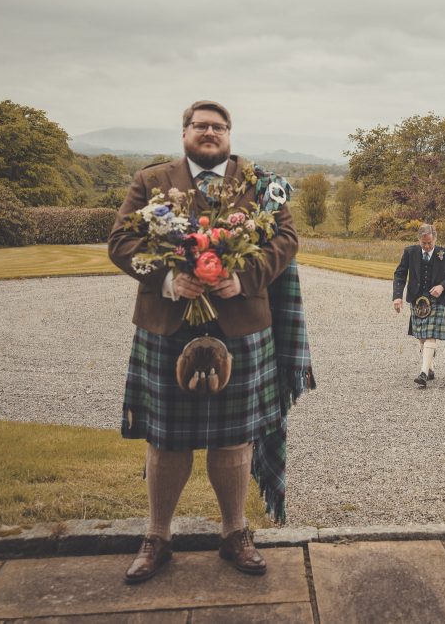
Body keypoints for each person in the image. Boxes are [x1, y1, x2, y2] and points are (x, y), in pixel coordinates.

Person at [108, 100, 314, 584]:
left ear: (230, 134)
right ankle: (157, 536)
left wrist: (244, 276)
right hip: (167, 327)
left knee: (234, 438)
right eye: (200, 125)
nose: (209, 133)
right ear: (184, 133)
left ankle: (234, 533)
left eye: (218, 127)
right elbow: (120, 242)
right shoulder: (152, 182)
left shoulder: (261, 185)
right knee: (165, 439)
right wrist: (167, 280)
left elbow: (285, 239)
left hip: (241, 326)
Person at [392, 223, 445, 387]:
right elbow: (400, 274)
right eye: (424, 243)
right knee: (421, 336)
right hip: (417, 299)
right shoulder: (410, 252)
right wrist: (397, 297)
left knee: (430, 335)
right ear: (419, 240)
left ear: (435, 238)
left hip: (436, 300)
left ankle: (423, 373)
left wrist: (442, 286)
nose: (427, 246)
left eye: (430, 243)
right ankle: (430, 368)